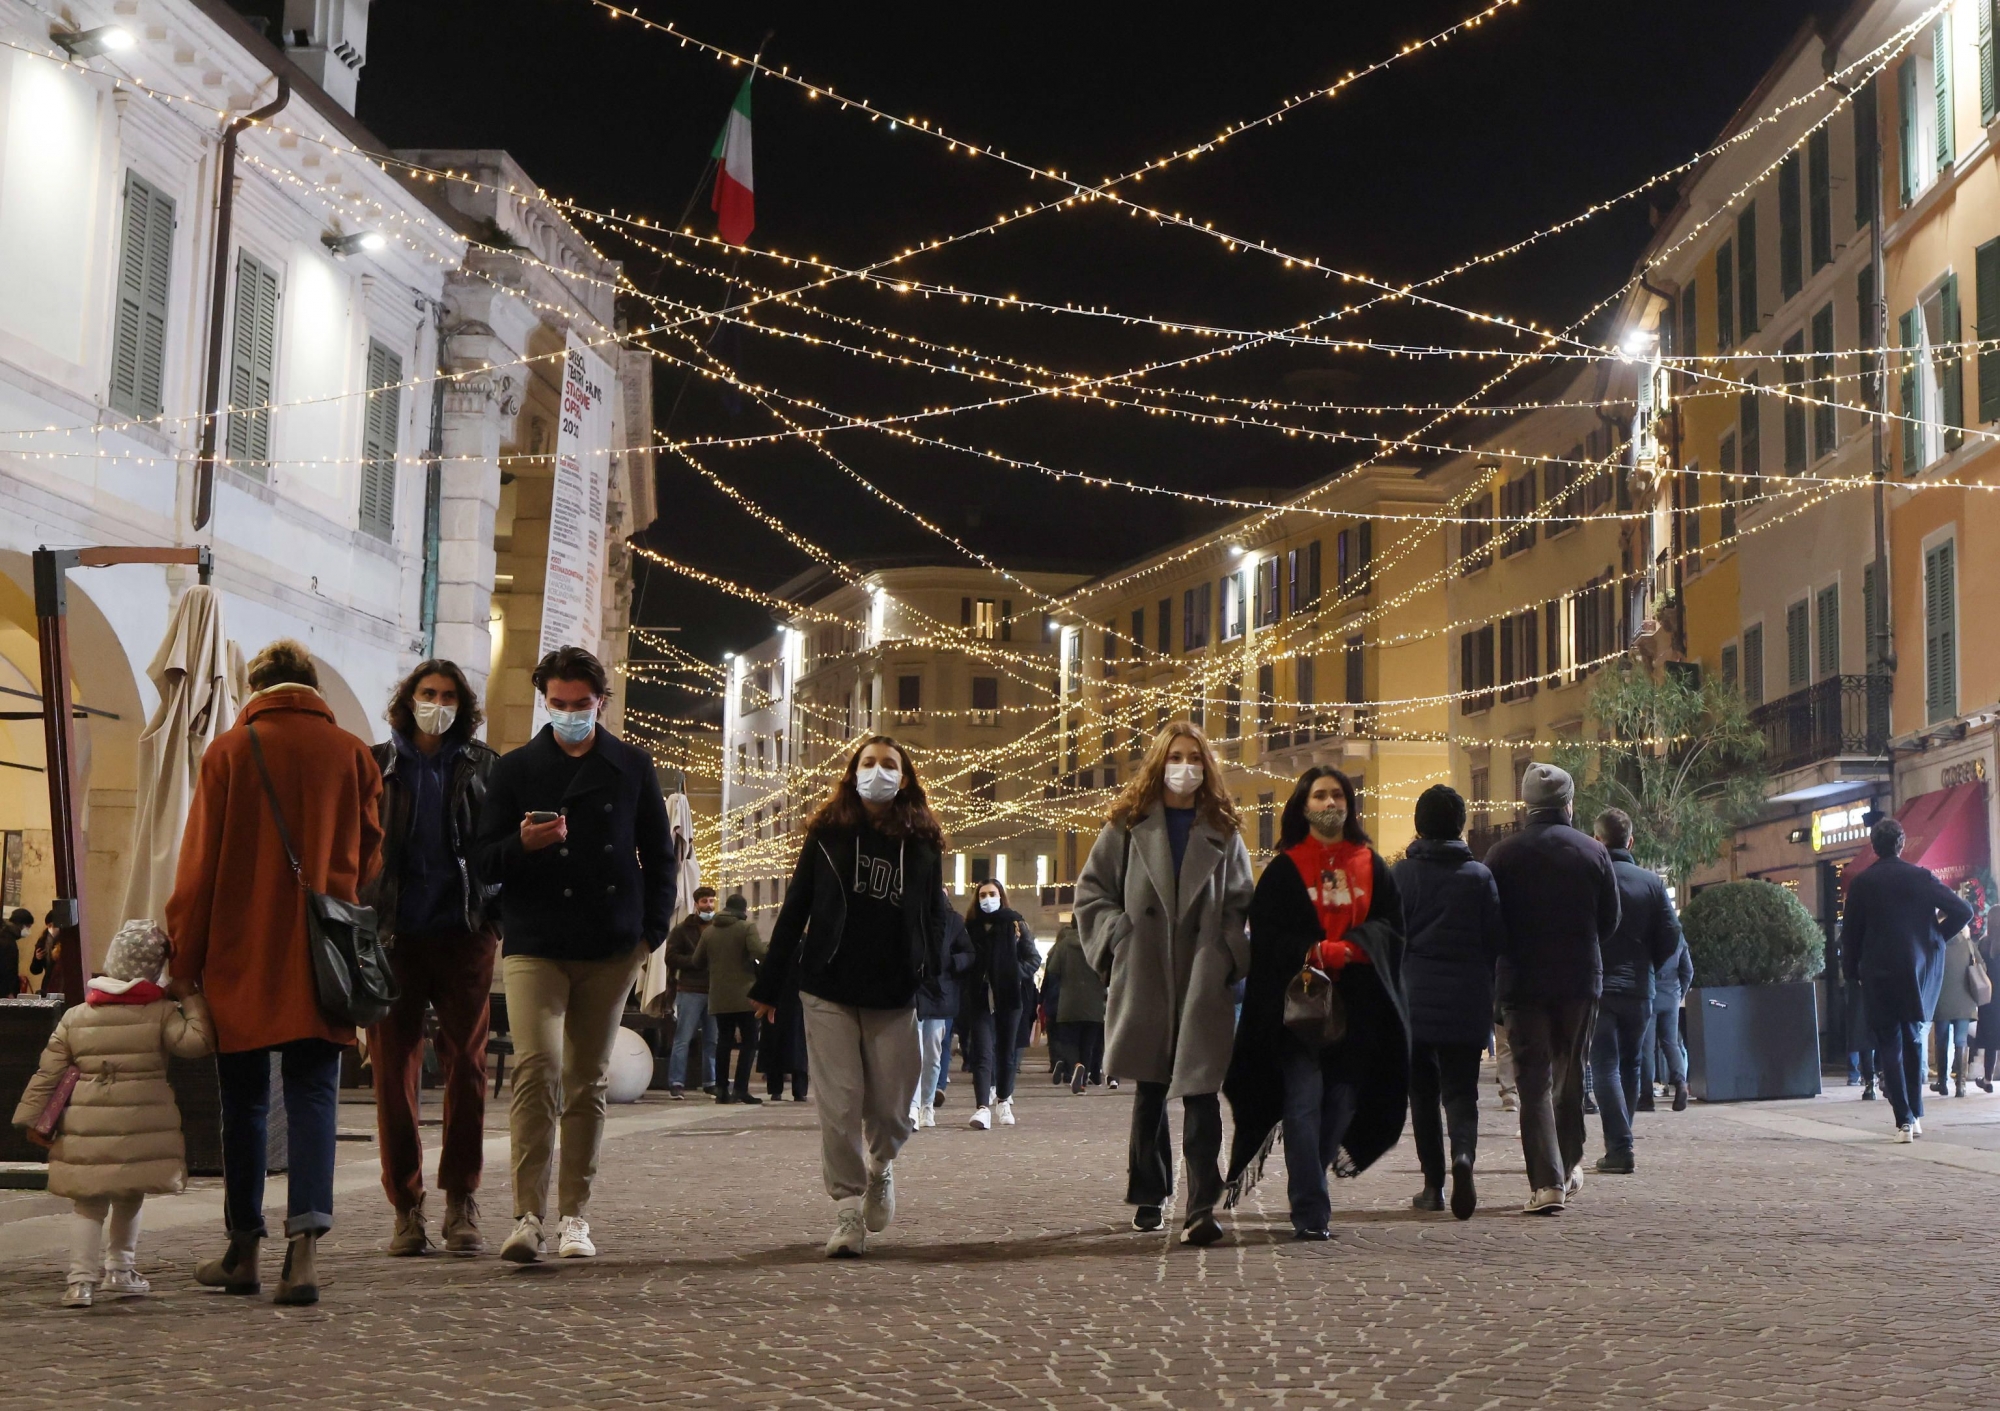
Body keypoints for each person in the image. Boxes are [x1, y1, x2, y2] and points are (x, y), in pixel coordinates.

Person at [167, 638, 383, 1304]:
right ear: (310, 685)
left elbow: (198, 868)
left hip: (241, 951)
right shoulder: (352, 753)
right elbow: (372, 855)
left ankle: (243, 1247)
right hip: (324, 955)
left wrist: (185, 957)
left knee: (244, 1101)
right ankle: (304, 1254)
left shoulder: (229, 752)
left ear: (253, 686)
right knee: (315, 1095)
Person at [476, 646, 675, 1263]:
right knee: (536, 1070)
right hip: (536, 939)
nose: (568, 715)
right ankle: (526, 1215)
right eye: (557, 705)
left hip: (611, 942)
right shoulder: (514, 770)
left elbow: (659, 854)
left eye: (580, 705)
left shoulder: (632, 766)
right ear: (544, 701)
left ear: (601, 703)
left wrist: (652, 932)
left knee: (586, 1078)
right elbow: (480, 859)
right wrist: (521, 844)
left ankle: (574, 1217)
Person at [749, 735, 949, 1259]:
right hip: (828, 986)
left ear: (903, 778)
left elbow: (934, 916)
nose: (878, 771)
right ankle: (846, 1210)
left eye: (889, 765)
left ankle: (882, 1168)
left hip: (894, 991)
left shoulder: (924, 842)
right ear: (852, 772)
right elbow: (795, 909)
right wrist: (770, 985)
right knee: (840, 1105)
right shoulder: (827, 833)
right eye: (868, 763)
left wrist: (934, 976)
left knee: (890, 1109)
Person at [1076, 722, 1252, 1246]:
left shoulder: (1223, 829)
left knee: (1201, 1092)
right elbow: (1092, 893)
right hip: (1148, 967)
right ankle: (1150, 1195)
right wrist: (1119, 938)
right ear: (1160, 761)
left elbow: (1242, 900)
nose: (1185, 767)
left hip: (1201, 972)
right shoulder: (1128, 826)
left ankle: (1201, 1206)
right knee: (1150, 1090)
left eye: (1195, 758)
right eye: (1176, 756)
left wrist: (1227, 951)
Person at [1223, 767, 1407, 1240]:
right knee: (1302, 1105)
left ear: (1349, 804)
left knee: (1342, 1105)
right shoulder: (1285, 869)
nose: (1329, 804)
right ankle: (1310, 1211)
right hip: (1297, 1011)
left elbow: (1393, 926)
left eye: (1337, 795)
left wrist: (1355, 946)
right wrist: (1311, 951)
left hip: (1358, 1009)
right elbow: (1267, 936)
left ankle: (1312, 1177)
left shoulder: (1373, 864)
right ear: (1304, 807)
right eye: (1320, 796)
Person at [361, 659, 500, 1258]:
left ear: (462, 706)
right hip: (392, 937)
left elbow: (498, 848)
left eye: (446, 695)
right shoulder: (374, 764)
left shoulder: (484, 766)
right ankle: (406, 1207)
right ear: (408, 698)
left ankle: (460, 1200)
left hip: (464, 934)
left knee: (467, 1069)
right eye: (427, 693)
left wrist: (494, 916)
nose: (436, 703)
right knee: (393, 1072)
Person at [13, 922, 215, 1308]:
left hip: (84, 1124)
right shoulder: (160, 1013)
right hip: (140, 1123)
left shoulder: (76, 1016)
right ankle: (120, 1270)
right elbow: (199, 1042)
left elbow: (48, 1073)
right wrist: (189, 998)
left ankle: (80, 1282)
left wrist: (33, 1119)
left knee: (87, 1203)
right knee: (129, 1195)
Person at [1483, 763, 1620, 1214]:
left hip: (1522, 982)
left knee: (1533, 1083)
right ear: (1569, 804)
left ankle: (1547, 1183)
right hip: (1579, 979)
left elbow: (1492, 925)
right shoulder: (1593, 853)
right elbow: (1609, 920)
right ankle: (1569, 1163)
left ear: (1526, 804)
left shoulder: (1500, 856)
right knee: (1569, 1075)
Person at [1393, 784, 1502, 1221]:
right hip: (1466, 998)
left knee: (1421, 1094)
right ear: (1460, 825)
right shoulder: (1479, 877)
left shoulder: (1401, 876)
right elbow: (1496, 939)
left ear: (1419, 824)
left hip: (1415, 999)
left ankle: (1433, 1185)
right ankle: (1464, 1156)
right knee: (1461, 1092)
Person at [1842, 818, 1976, 1142]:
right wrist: (1935, 940)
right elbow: (1963, 910)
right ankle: (1915, 1114)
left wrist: (1851, 973)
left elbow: (1850, 937)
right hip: (1916, 971)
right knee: (1914, 1038)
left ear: (1874, 846)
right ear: (1901, 845)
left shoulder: (1862, 884)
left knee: (1888, 1044)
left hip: (1877, 973)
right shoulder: (1921, 878)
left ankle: (1903, 1119)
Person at [1588, 808, 1684, 1174]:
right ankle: (1620, 1143)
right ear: (1630, 842)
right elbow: (1671, 934)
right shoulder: (1651, 883)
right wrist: (1649, 966)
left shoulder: (1592, 881)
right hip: (1640, 988)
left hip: (1600, 984)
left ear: (1597, 839)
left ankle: (1621, 1145)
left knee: (1604, 1065)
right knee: (1632, 1063)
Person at [961, 880, 1040, 1130]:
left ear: (1001, 896)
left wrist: (1011, 972)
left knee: (1006, 1052)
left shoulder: (1015, 923)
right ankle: (982, 1107)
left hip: (1009, 995)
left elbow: (1033, 958)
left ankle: (1003, 1099)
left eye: (992, 894)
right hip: (980, 996)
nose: (987, 898)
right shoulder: (970, 928)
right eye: (982, 894)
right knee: (982, 1052)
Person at [695, 894, 767, 1104]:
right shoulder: (746, 928)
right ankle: (741, 1089)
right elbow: (759, 953)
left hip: (719, 995)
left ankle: (722, 1090)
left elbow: (697, 960)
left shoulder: (709, 932)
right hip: (745, 996)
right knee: (749, 1041)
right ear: (743, 910)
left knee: (723, 1042)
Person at [912, 902, 973, 1127]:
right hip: (914, 993)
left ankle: (927, 1104)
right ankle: (913, 1105)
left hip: (940, 994)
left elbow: (968, 952)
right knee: (912, 1054)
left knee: (932, 1053)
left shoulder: (953, 920)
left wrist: (950, 962)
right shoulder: (910, 913)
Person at [662, 886, 719, 1098]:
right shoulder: (682, 930)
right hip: (690, 989)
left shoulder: (718, 927)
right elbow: (670, 957)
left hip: (714, 990)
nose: (709, 906)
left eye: (712, 901)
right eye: (704, 902)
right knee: (683, 1037)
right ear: (696, 904)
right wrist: (695, 961)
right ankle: (676, 1082)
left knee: (712, 1039)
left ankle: (710, 1081)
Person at [1044, 914, 1107, 1094]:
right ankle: (1082, 1081)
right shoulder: (1097, 944)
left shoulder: (1063, 945)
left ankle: (1076, 1066)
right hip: (1094, 1004)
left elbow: (1053, 969)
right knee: (1088, 1045)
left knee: (1068, 1042)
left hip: (1069, 1003)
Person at [1639, 929, 1692, 1111]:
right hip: (1671, 995)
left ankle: (1646, 1097)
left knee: (1647, 1047)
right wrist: (1679, 994)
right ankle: (1680, 1084)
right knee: (1671, 1043)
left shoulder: (1647, 935)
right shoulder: (1678, 937)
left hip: (1649, 993)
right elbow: (1688, 970)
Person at [1930, 925, 1979, 1099]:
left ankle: (1943, 1082)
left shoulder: (1937, 944)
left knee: (1942, 1042)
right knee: (1961, 1041)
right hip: (1964, 1001)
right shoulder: (1968, 944)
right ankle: (1961, 1085)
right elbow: (1982, 968)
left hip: (1942, 1000)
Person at [1, 907, 30, 993]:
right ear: (21, 925)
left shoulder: (6, 936)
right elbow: (8, 969)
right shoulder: (8, 941)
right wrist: (9, 992)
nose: (28, 931)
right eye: (28, 927)